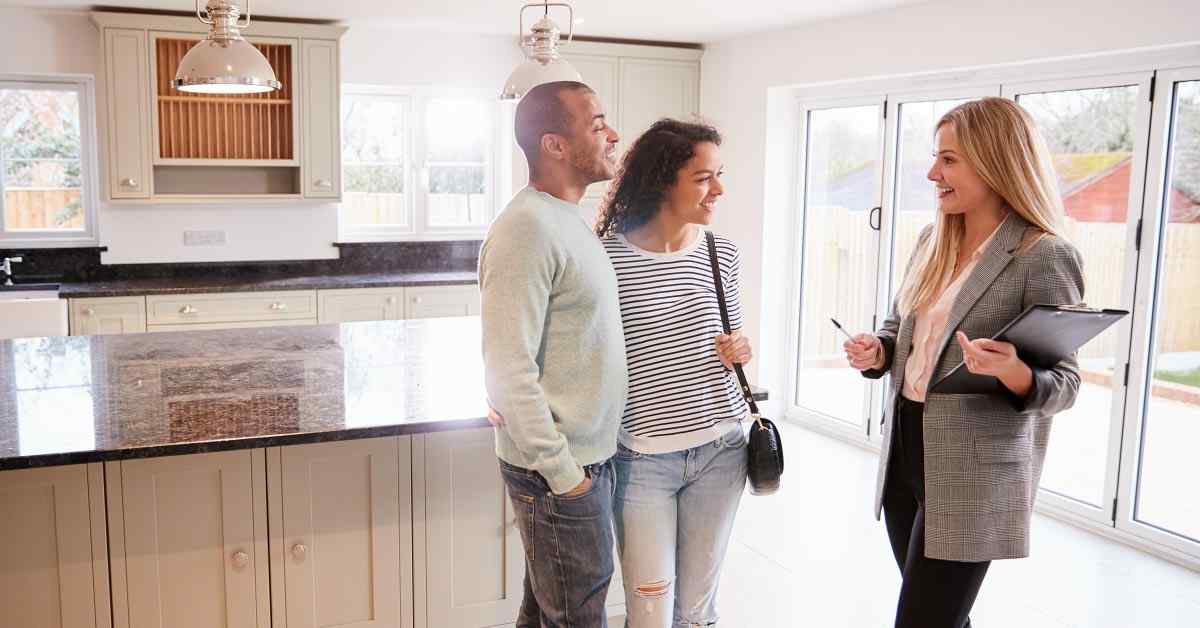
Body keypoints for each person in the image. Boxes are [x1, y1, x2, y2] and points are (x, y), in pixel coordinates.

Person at [843, 97, 1085, 628]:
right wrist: (879, 352)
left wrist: (1011, 370)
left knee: (923, 619)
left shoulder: (1042, 254)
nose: (933, 173)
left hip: (975, 469)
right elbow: (898, 329)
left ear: (996, 161)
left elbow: (1064, 383)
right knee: (941, 613)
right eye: (936, 158)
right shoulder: (934, 239)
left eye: (949, 160)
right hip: (908, 445)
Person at [479, 80, 627, 628]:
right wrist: (566, 475)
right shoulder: (527, 229)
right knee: (577, 618)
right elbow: (508, 368)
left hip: (581, 460)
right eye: (597, 125)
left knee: (546, 613)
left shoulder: (567, 219)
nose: (613, 135)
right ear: (555, 145)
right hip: (560, 470)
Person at [596, 118, 752, 628]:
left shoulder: (718, 251)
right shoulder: (606, 257)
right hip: (642, 461)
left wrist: (740, 348)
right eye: (705, 177)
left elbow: (729, 334)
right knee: (649, 610)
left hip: (721, 450)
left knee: (695, 612)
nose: (719, 189)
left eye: (719, 175)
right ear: (664, 180)